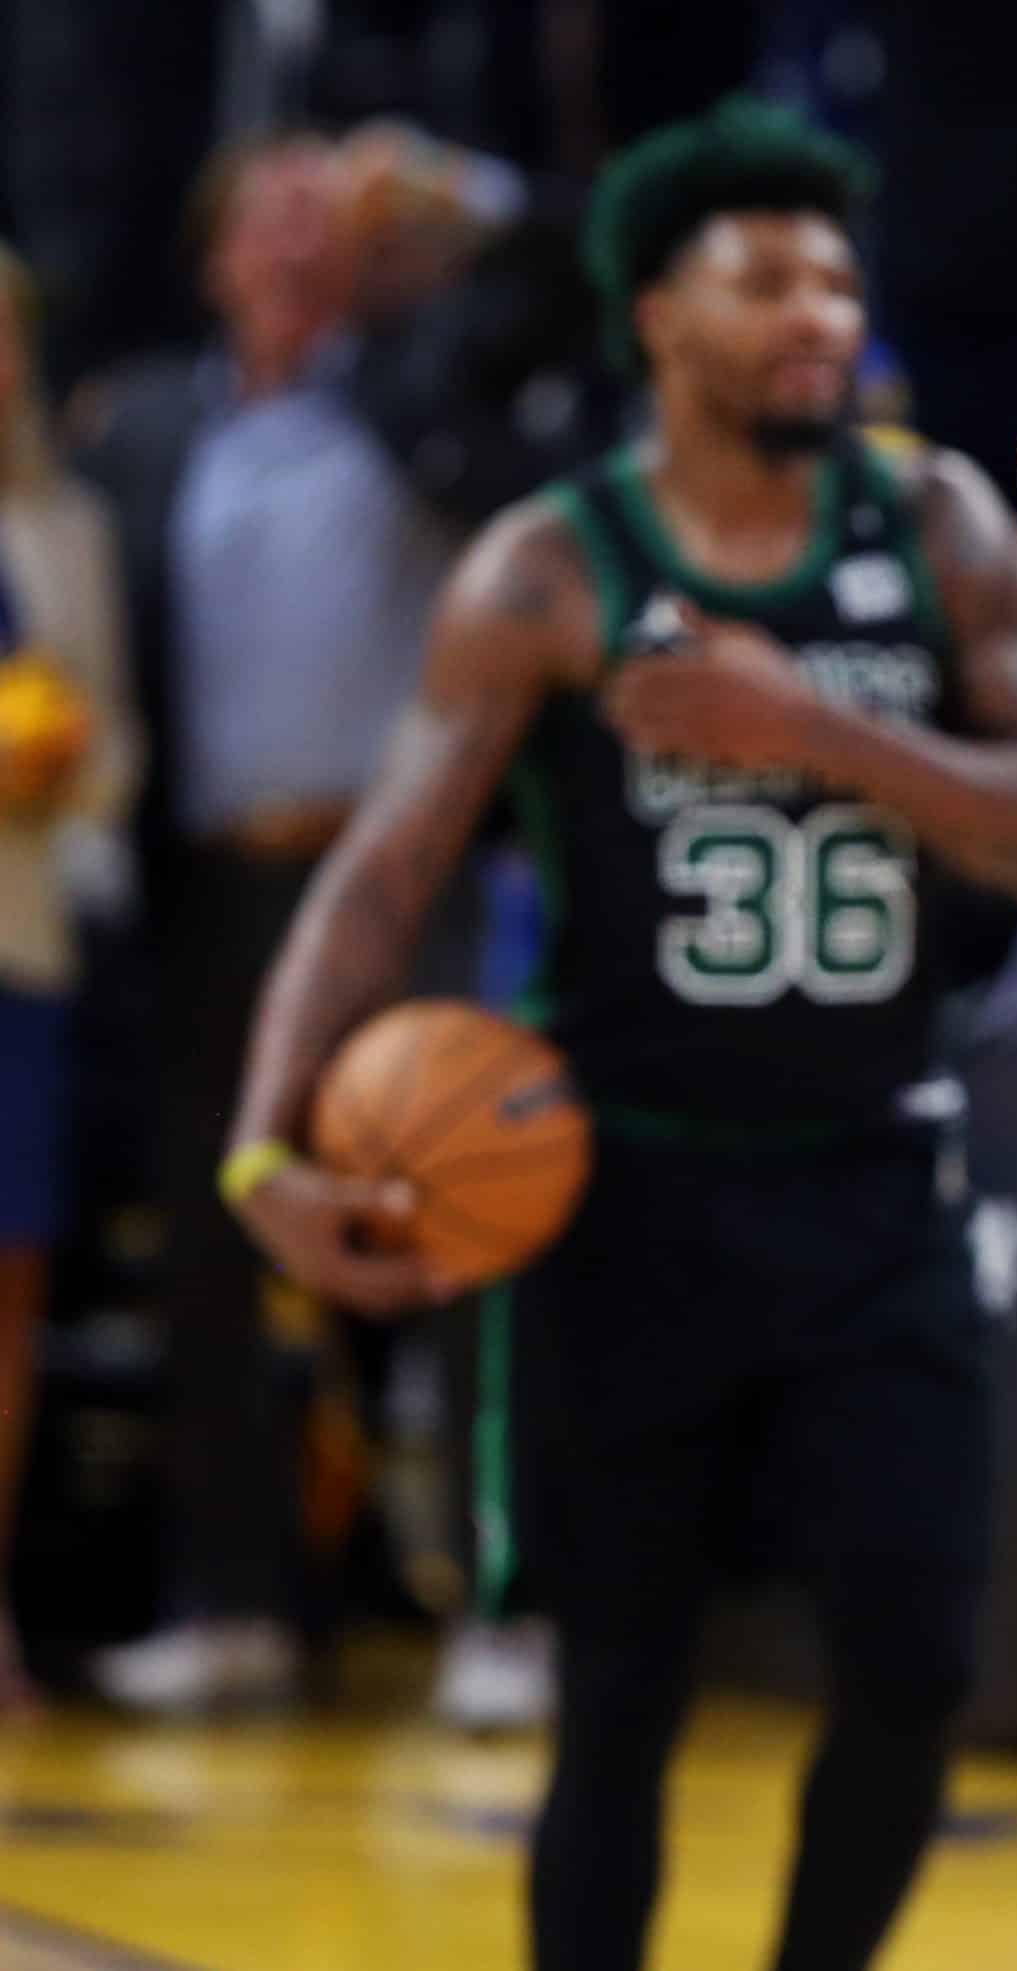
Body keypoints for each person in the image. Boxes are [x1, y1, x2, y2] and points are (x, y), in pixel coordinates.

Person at [217, 100, 1017, 1971]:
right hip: (614, 1200)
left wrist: (823, 734)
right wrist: (262, 1144)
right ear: (656, 319)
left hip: (877, 1187)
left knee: (919, 1659)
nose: (820, 310)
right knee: (618, 1701)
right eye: (764, 276)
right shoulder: (549, 568)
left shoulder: (926, 520)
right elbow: (381, 875)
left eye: (838, 276)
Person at [78, 131, 469, 1714]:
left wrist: (443, 214)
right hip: (205, 878)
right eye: (272, 222)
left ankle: (493, 1602)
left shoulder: (422, 405)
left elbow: (535, 294)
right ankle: (230, 1599)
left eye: (332, 222)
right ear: (216, 255)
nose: (301, 247)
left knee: (450, 1211)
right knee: (223, 1240)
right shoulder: (147, 428)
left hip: (389, 875)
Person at [0, 240, 143, 1714]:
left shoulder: (66, 525)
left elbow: (113, 739)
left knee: (10, 1292)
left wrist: (68, 762)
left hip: (21, 935)